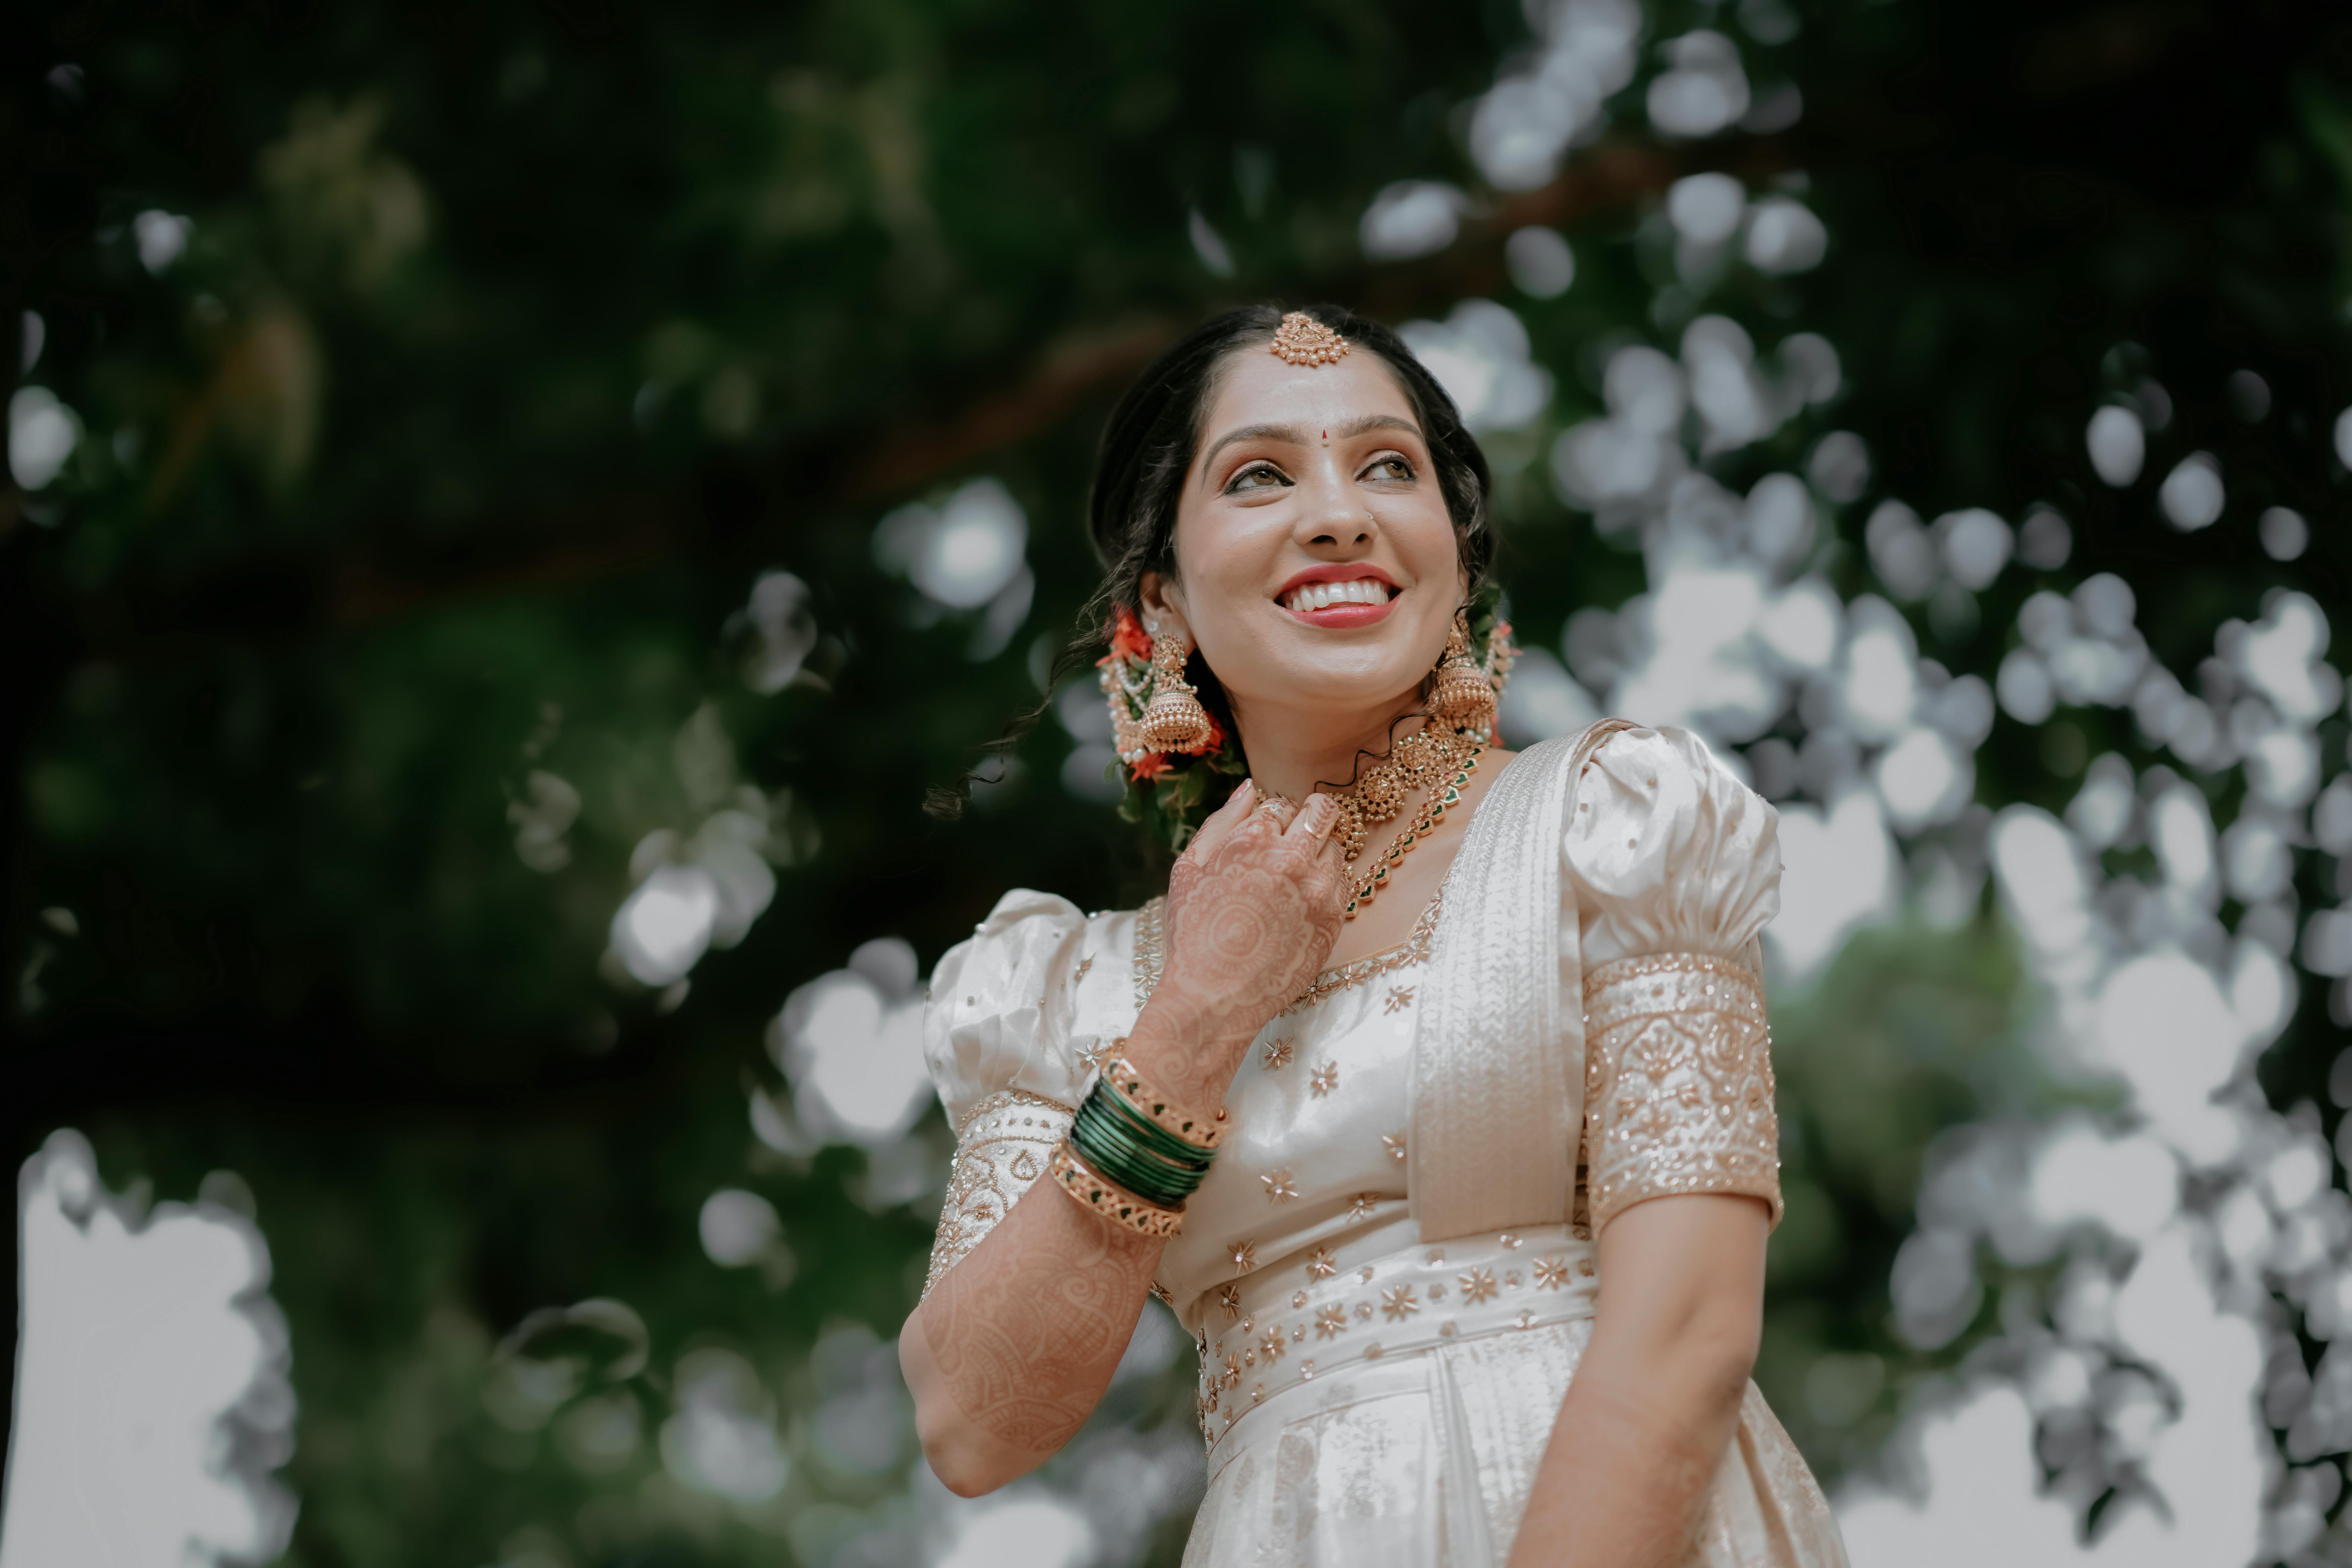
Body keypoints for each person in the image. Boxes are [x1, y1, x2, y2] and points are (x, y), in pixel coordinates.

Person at [898, 303, 1849, 1567]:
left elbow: (1689, 1330)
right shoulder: (1071, 991)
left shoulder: (1614, 834)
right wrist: (1197, 1018)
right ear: (1163, 601)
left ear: (1453, 557)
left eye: (1388, 466)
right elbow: (973, 1425)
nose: (1339, 512)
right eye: (1260, 476)